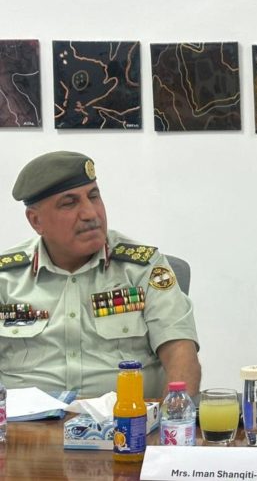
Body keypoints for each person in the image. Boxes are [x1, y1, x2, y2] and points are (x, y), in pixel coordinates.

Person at [0, 151, 201, 398]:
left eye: (93, 196)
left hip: (126, 418)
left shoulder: (143, 268)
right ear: (36, 221)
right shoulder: (6, 278)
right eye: (69, 203)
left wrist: (173, 415)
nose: (90, 213)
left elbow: (180, 351)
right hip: (24, 421)